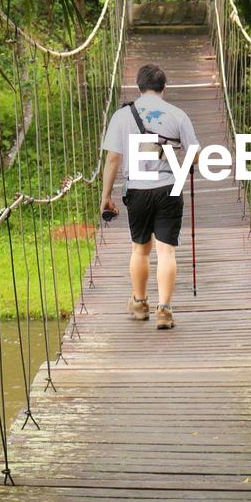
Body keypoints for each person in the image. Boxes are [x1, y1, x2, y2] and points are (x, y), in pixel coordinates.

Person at [100, 62, 199, 329]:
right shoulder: (177, 115)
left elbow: (112, 159)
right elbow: (196, 155)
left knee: (140, 249)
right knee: (166, 251)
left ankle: (140, 303)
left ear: (139, 87)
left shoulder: (122, 117)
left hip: (137, 190)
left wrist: (105, 196)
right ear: (164, 88)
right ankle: (164, 310)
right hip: (169, 188)